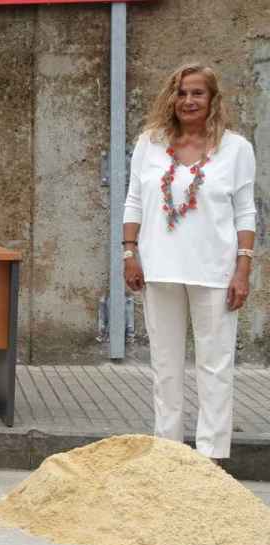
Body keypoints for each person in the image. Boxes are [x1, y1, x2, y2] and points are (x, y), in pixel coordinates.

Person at [123, 63, 257, 461]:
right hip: (159, 268)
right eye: (181, 92)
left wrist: (243, 269)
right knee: (165, 366)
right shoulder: (149, 143)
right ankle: (168, 453)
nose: (188, 100)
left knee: (215, 366)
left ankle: (211, 456)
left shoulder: (235, 149)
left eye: (197, 93)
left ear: (212, 99)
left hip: (215, 272)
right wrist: (130, 252)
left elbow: (246, 212)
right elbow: (133, 200)